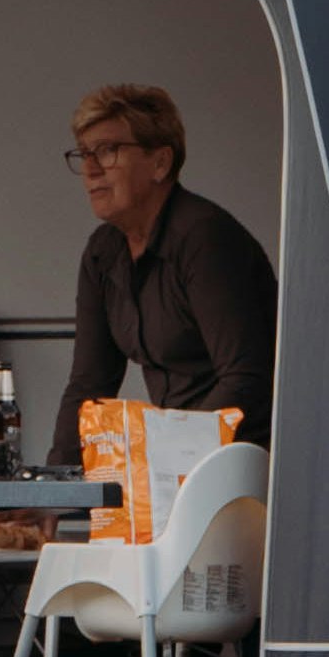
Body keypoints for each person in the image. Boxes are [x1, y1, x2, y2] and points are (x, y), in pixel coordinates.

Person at [49, 81, 277, 466]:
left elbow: (246, 379)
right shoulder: (102, 254)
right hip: (179, 465)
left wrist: (169, 458)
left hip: (249, 461)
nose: (90, 169)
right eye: (84, 153)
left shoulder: (205, 238)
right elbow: (90, 385)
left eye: (108, 150)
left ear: (160, 163)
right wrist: (50, 491)